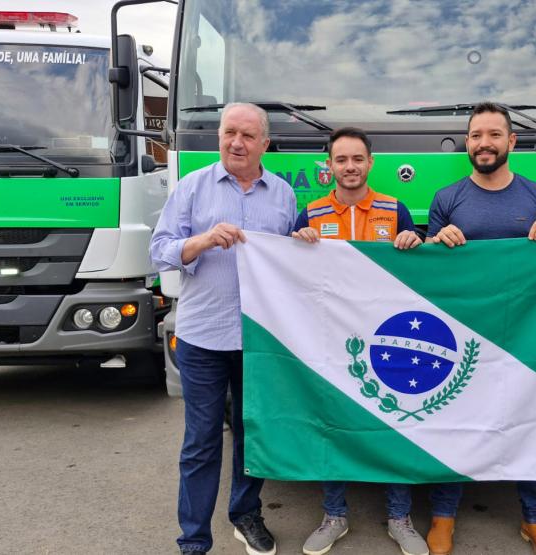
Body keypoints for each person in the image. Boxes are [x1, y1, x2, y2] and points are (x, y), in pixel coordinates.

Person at [150, 103, 297, 555]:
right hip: (203, 337)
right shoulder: (193, 188)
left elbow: (292, 263)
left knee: (253, 436)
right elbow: (159, 250)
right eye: (229, 132)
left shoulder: (284, 196)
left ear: (264, 145)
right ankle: (193, 539)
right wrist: (201, 240)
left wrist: (304, 243)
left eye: (248, 136)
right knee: (202, 441)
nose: (237, 142)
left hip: (258, 340)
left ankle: (245, 514)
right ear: (219, 137)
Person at [425, 102, 536, 555]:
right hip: (464, 337)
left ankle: (535, 520)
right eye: (475, 135)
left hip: (527, 336)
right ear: (467, 143)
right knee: (455, 421)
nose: (484, 143)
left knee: (532, 420)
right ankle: (443, 515)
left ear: (511, 141)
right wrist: (434, 240)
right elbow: (429, 275)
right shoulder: (447, 199)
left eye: (493, 134)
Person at [292, 127, 425, 555]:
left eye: (357, 159)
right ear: (328, 166)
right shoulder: (310, 214)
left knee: (394, 422)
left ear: (370, 163)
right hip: (330, 341)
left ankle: (400, 517)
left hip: (388, 340)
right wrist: (297, 243)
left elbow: (419, 275)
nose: (349, 167)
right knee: (333, 424)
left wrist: (413, 240)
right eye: (341, 160)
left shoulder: (394, 209)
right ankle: (334, 515)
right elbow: (288, 275)